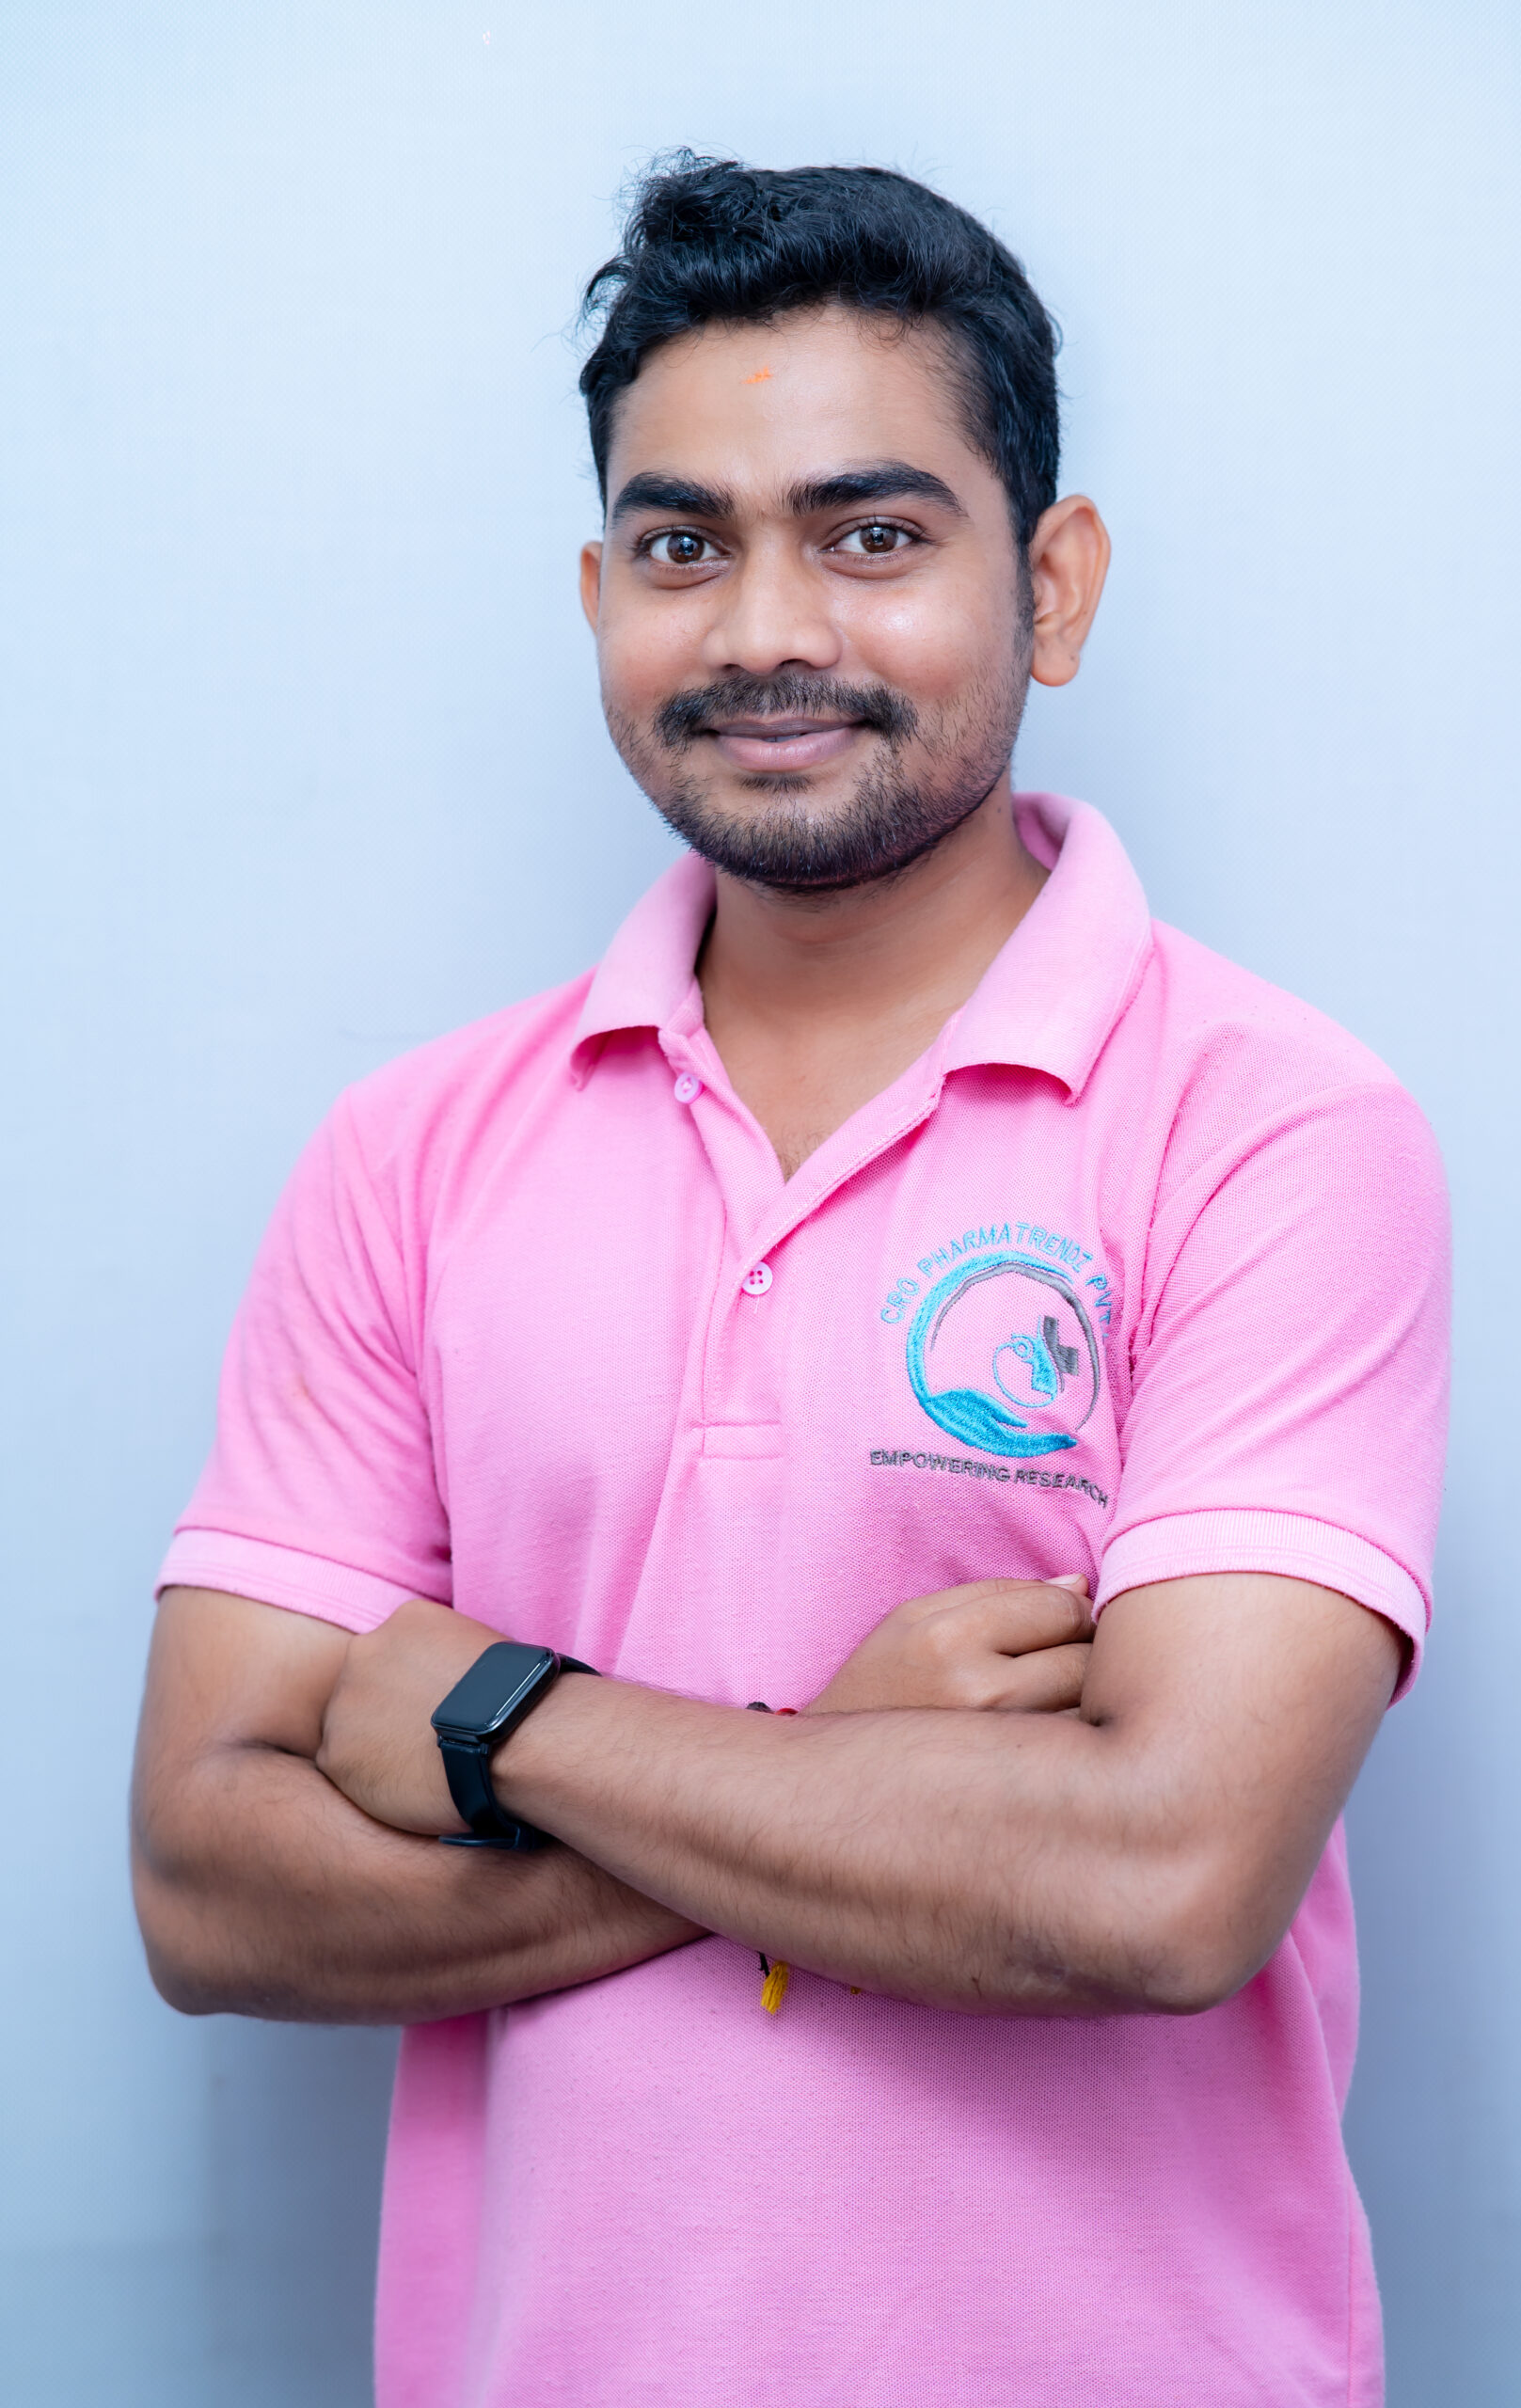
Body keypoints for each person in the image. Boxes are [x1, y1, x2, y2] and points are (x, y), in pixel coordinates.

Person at [131, 156, 1450, 2407]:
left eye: (870, 534)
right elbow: (209, 1886)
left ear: (1050, 583)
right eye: (683, 545)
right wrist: (840, 1763)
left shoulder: (1271, 1126)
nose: (763, 628)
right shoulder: (412, 1154)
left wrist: (501, 1717)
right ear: (598, 595)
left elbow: (1161, 1880)